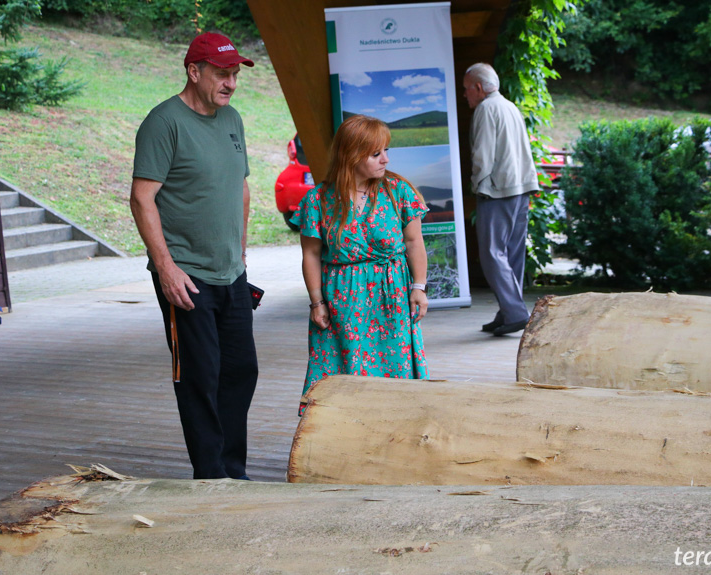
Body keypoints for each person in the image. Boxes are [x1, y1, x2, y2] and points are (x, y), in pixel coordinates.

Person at [129, 32, 258, 480]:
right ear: (194, 71)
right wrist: (165, 267)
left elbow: (239, 186)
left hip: (232, 273)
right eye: (223, 73)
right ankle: (212, 477)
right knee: (200, 379)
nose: (231, 83)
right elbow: (142, 199)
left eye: (235, 74)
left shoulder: (231, 119)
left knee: (241, 371)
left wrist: (239, 249)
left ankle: (233, 472)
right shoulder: (164, 122)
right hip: (186, 276)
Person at [292, 115, 430, 415]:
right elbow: (311, 254)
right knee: (342, 370)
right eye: (376, 153)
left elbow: (413, 242)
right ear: (351, 155)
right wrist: (317, 303)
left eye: (386, 151)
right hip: (343, 302)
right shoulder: (318, 200)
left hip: (391, 298)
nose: (386, 159)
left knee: (396, 368)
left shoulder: (398, 191)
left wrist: (419, 287)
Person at [463, 62, 540, 336]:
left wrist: (476, 185)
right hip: (521, 187)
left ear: (479, 88)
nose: (465, 95)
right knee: (512, 253)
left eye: (466, 89)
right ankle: (508, 311)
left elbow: (482, 155)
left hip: (498, 190)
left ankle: (515, 312)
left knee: (492, 253)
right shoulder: (509, 105)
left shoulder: (486, 108)